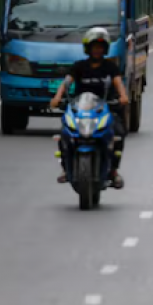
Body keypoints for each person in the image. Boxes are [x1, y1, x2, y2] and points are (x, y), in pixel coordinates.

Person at [50, 28, 130, 188]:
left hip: (104, 109)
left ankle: (113, 170)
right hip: (81, 110)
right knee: (64, 133)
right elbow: (66, 83)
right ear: (88, 48)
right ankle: (66, 168)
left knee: (118, 134)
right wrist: (58, 97)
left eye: (100, 47)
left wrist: (123, 96)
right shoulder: (79, 66)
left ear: (105, 49)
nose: (97, 50)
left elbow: (118, 83)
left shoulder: (110, 67)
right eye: (94, 47)